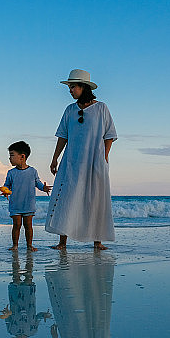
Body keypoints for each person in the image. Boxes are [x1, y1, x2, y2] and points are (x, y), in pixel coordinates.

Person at [45, 69, 117, 250]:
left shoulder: (101, 108)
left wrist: (105, 155)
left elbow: (109, 134)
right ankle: (62, 242)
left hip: (94, 160)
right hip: (71, 161)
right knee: (66, 198)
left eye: (73, 86)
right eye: (69, 87)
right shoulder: (70, 110)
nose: (70, 90)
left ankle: (97, 241)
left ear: (83, 87)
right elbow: (62, 136)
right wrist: (55, 158)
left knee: (95, 198)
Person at [0, 250, 51, 338]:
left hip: (15, 300)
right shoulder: (33, 331)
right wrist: (44, 315)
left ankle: (15, 259)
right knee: (28, 277)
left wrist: (6, 313)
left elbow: (8, 317)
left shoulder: (11, 330)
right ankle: (29, 258)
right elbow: (37, 317)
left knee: (15, 277)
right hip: (29, 300)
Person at [2, 140, 51, 251]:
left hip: (28, 204)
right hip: (15, 205)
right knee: (16, 225)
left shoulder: (32, 171)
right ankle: (15, 245)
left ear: (22, 156)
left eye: (12, 155)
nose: (10, 158)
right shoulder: (11, 173)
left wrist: (44, 188)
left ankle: (29, 245)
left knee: (28, 226)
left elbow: (38, 183)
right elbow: (7, 185)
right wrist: (5, 191)